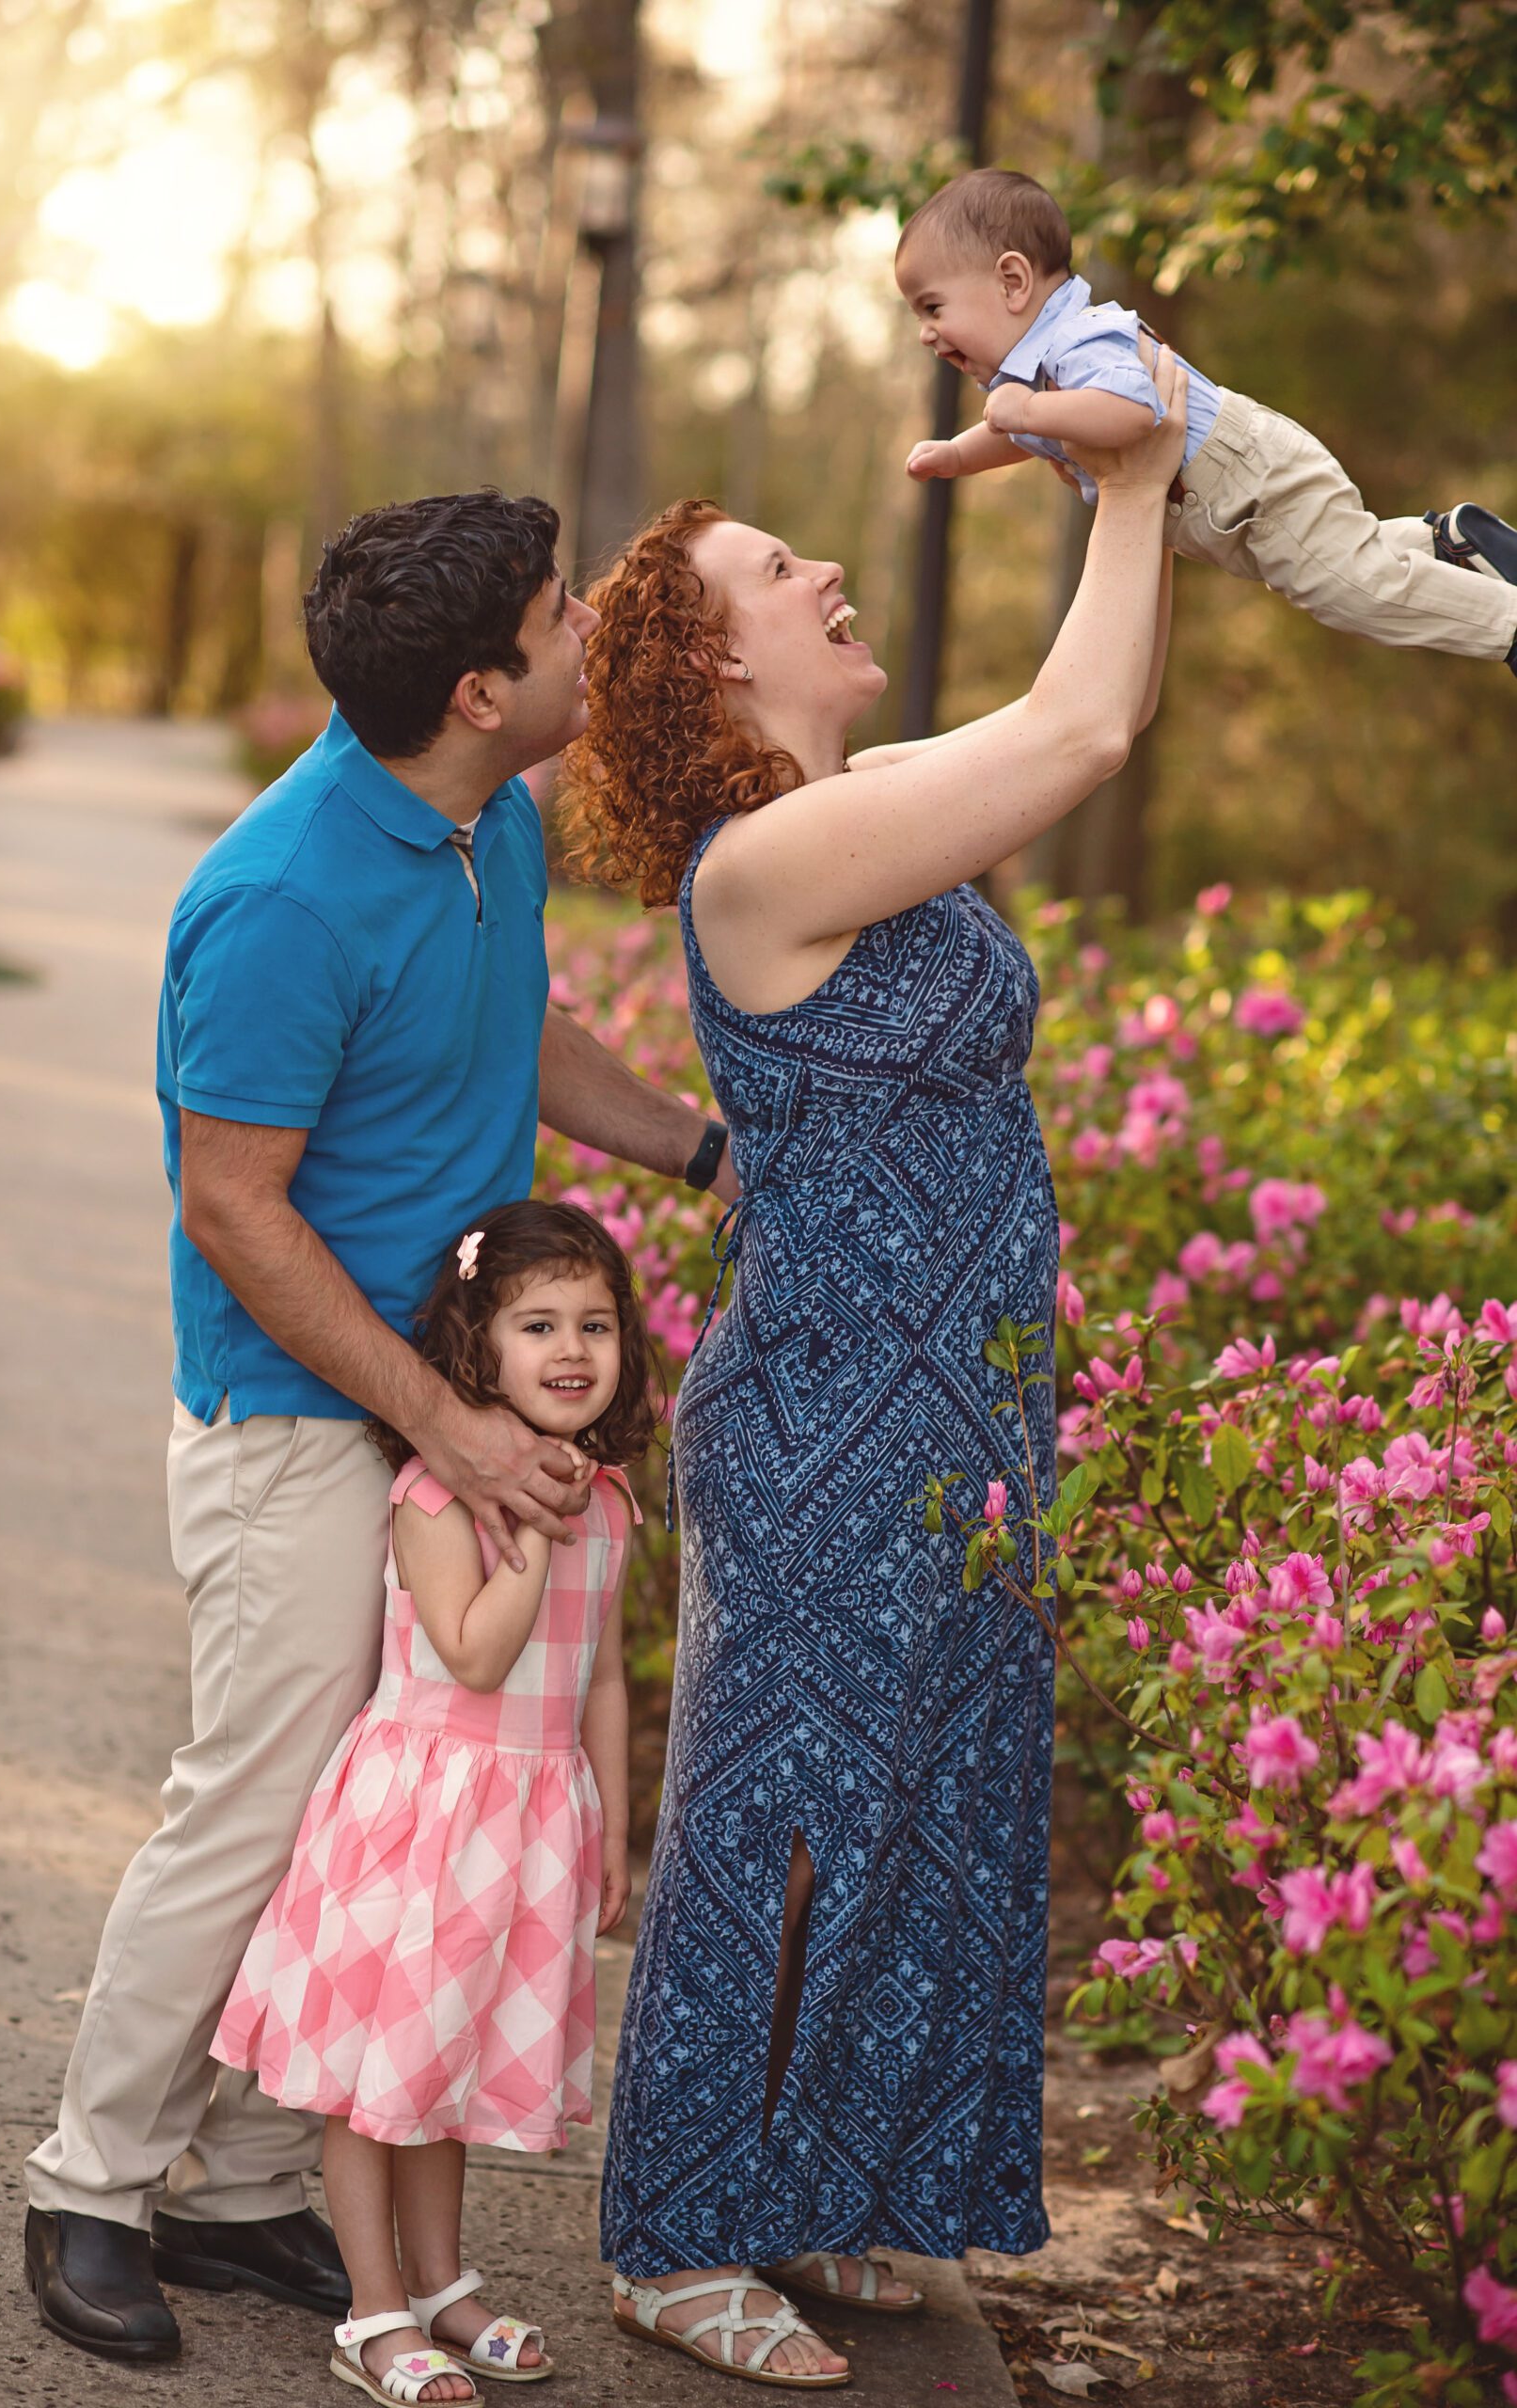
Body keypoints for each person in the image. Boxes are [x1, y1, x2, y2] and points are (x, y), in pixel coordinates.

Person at [24, 490, 735, 2367]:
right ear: (483, 689)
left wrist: (701, 1148)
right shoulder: (280, 896)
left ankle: (250, 2187)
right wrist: (448, 1423)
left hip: (437, 1408)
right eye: (560, 615)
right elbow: (233, 1206)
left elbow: (515, 1032)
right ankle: (92, 2183)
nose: (587, 634)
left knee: (370, 1817)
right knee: (258, 1802)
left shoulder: (487, 816)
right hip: (298, 1418)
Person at [562, 355, 1191, 2385]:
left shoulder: (860, 806)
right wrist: (1130, 475)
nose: (829, 570)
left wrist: (1134, 475)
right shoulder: (761, 866)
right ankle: (676, 2233)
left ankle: (817, 2187)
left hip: (962, 1411)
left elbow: (1090, 702)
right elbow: (1082, 731)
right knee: (784, 1822)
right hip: (831, 1418)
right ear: (707, 664)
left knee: (921, 1810)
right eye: (777, 569)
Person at [212, 1201, 656, 2405]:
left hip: (528, 1827)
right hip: (423, 1822)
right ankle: (373, 2310)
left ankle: (444, 2284)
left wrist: (613, 1827)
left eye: (596, 1323)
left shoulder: (610, 1500)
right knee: (379, 2079)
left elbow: (602, 1675)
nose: (572, 1347)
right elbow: (472, 1651)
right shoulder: (436, 1498)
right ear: (477, 1347)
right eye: (537, 1324)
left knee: (443, 2067)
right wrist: (537, 1535)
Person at [901, 167, 1517, 674]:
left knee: (1351, 590)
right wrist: (959, 454)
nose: (926, 333)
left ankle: (1507, 626)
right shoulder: (1041, 375)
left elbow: (1131, 411)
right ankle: (1448, 544)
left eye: (933, 307)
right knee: (1351, 561)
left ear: (1012, 282)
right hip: (1239, 492)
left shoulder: (1077, 342)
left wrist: (1029, 409)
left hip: (1252, 482)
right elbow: (1028, 433)